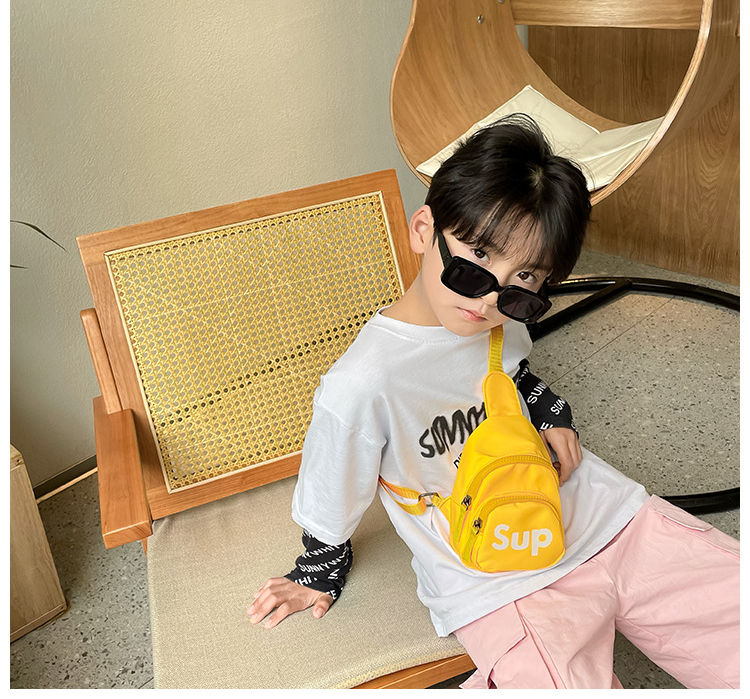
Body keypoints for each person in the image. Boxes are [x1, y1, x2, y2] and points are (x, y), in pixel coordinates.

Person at [247, 115, 739, 689]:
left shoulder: (504, 322)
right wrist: (318, 569)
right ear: (424, 230)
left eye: (523, 278)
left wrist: (551, 415)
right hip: (499, 574)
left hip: (608, 517)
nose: (489, 301)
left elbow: (517, 377)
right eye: (476, 257)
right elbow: (331, 484)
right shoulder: (362, 384)